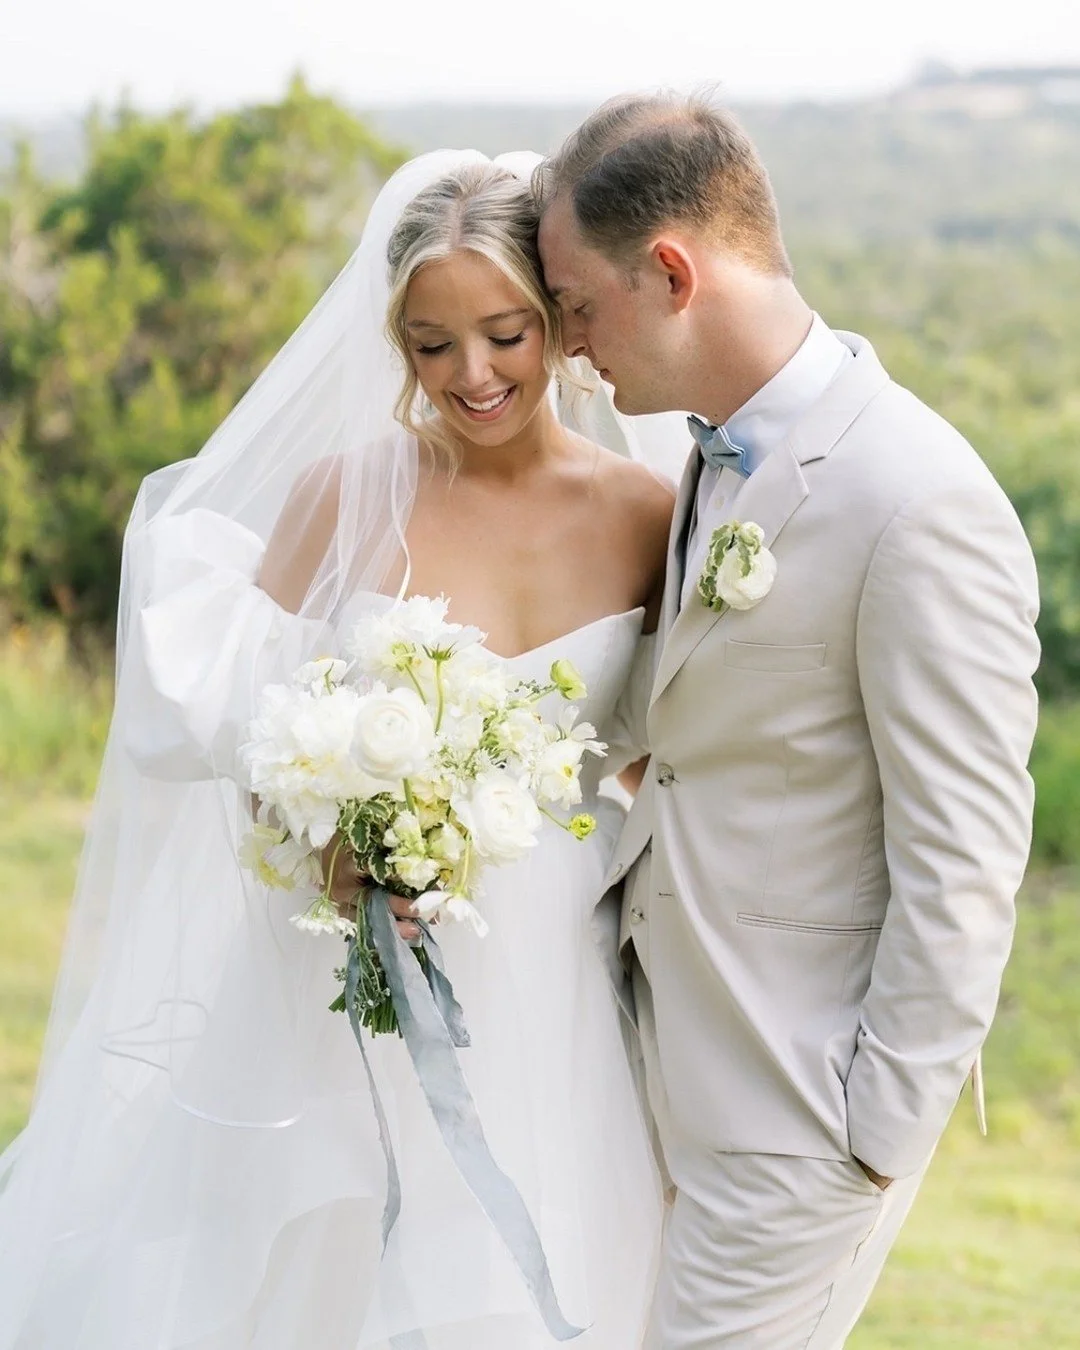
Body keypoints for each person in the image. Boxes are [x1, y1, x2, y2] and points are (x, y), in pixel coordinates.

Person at [0, 151, 676, 1348]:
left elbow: (662, 769)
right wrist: (329, 843)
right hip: (342, 987)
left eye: (506, 334)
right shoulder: (341, 496)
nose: (472, 375)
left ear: (561, 321)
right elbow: (263, 742)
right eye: (431, 343)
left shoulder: (646, 517)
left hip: (559, 989)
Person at [537, 92, 1040, 1348]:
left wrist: (872, 1137)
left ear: (670, 274)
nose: (570, 347)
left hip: (796, 1123)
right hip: (663, 1071)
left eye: (578, 305)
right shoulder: (707, 454)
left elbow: (966, 856)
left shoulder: (918, 500)